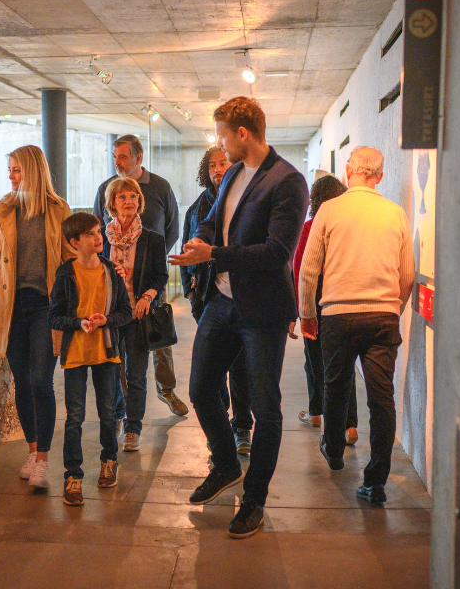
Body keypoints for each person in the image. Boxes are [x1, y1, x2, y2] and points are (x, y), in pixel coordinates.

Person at [170, 96, 309, 538]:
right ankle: (227, 464)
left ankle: (254, 500)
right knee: (200, 389)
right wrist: (199, 242)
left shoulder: (288, 181)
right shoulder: (231, 172)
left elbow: (277, 253)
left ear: (242, 134)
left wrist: (215, 253)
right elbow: (210, 221)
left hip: (263, 311)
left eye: (222, 135)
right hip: (222, 301)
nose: (219, 143)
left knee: (266, 409)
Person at [298, 146, 414, 505]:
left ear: (349, 171)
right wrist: (394, 308)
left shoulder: (330, 210)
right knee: (382, 400)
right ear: (379, 176)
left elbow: (308, 270)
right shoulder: (395, 214)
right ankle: (375, 482)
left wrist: (307, 314)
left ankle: (333, 451)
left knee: (336, 386)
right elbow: (407, 274)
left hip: (337, 316)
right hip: (382, 317)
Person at [0, 145, 75, 490]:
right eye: (9, 169)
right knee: (22, 381)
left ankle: (45, 459)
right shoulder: (3, 209)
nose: (11, 176)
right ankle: (33, 452)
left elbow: (69, 263)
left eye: (17, 170)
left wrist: (69, 308)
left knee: (40, 381)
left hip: (45, 307)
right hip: (12, 307)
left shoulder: (58, 210)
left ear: (33, 171)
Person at [93, 135, 188, 418]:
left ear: (138, 157)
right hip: (118, 289)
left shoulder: (160, 186)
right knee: (124, 354)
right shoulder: (106, 189)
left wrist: (153, 255)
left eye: (122, 156)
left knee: (159, 340)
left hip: (150, 278)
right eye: (115, 157)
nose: (117, 162)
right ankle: (126, 409)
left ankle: (166, 390)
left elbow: (172, 227)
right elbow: (99, 229)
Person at [48, 213, 133, 506]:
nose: (98, 237)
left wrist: (106, 319)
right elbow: (54, 316)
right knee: (75, 418)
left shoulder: (110, 271)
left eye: (98, 231)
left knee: (108, 413)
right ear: (74, 243)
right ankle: (73, 476)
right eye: (90, 234)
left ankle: (109, 461)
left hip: (106, 354)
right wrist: (78, 323)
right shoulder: (65, 273)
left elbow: (126, 312)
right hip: (75, 355)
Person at [182, 146, 254, 455]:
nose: (217, 169)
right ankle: (221, 425)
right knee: (211, 370)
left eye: (222, 162)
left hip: (238, 298)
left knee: (239, 366)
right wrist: (188, 289)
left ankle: (241, 427)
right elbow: (187, 244)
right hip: (207, 297)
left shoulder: (245, 200)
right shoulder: (198, 208)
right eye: (212, 165)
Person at [101, 177, 169, 452]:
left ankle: (133, 427)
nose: (129, 201)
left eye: (133, 196)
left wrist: (146, 297)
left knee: (136, 374)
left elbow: (160, 276)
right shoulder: (102, 239)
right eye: (122, 197)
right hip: (110, 315)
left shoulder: (153, 239)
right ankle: (118, 414)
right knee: (112, 371)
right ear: (112, 203)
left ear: (140, 201)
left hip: (138, 316)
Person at [292, 175, 359, 445]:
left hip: (317, 294)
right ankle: (350, 425)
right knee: (345, 363)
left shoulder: (310, 226)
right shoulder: (351, 227)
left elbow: (300, 270)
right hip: (343, 293)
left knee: (315, 360)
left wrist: (300, 311)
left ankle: (317, 413)